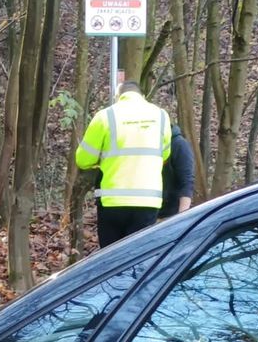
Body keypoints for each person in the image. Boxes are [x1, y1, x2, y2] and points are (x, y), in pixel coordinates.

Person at [75, 79, 195, 247]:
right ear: (142, 96)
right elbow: (165, 153)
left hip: (112, 202)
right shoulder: (161, 116)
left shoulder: (105, 116)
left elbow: (82, 160)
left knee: (111, 258)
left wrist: (102, 160)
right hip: (148, 202)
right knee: (137, 258)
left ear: (118, 96)